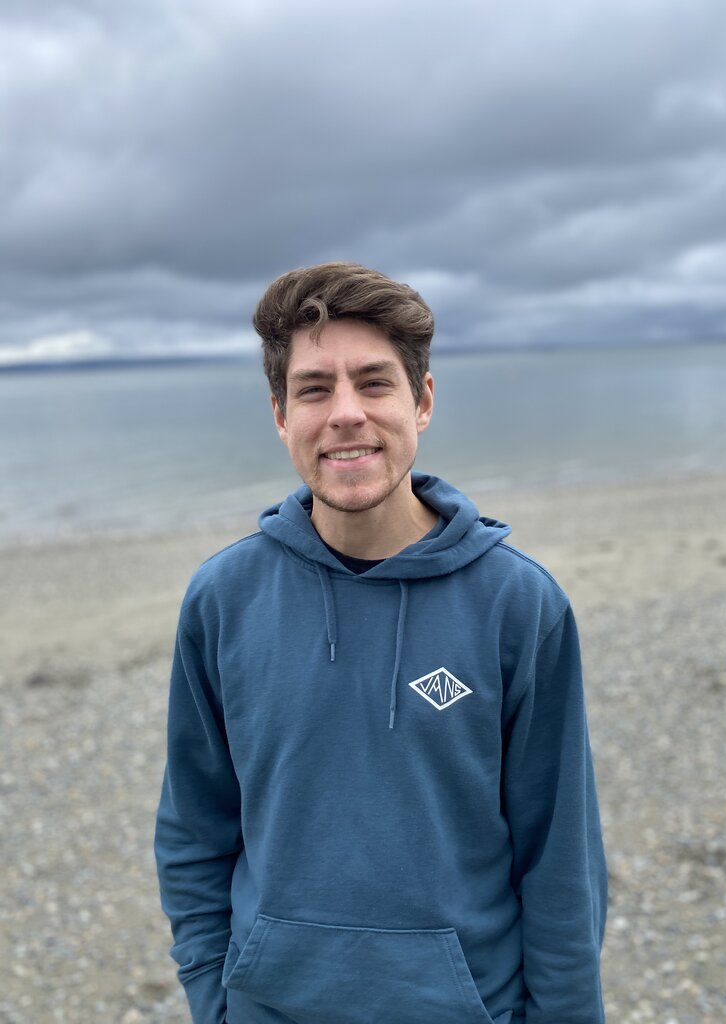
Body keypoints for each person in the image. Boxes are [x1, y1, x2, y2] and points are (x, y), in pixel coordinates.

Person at [155, 262, 608, 1024]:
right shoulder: (223, 599)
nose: (345, 415)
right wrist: (214, 996)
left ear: (421, 401)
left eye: (373, 382)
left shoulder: (518, 605)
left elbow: (559, 860)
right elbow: (195, 830)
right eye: (314, 388)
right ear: (279, 413)